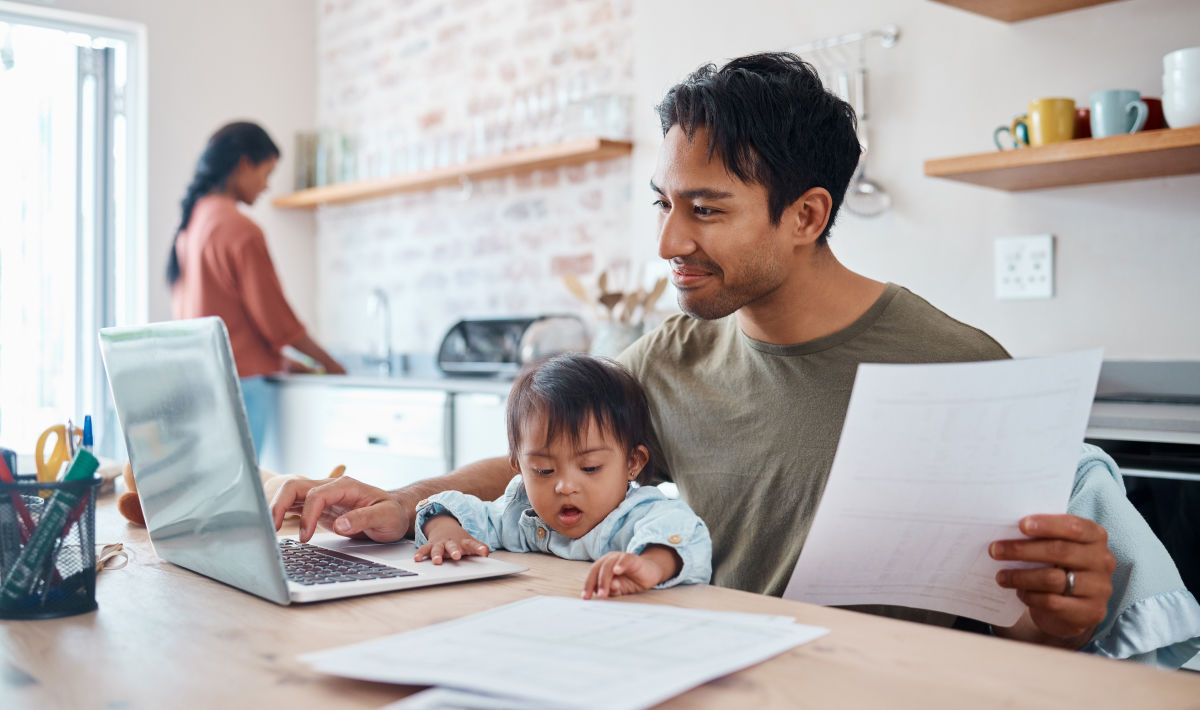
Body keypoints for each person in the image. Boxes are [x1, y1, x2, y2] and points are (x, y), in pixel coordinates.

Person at [269, 54, 1200, 666]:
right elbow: (547, 455)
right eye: (662, 204)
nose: (670, 238)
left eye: (706, 210)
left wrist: (1064, 620)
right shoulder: (671, 354)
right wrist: (401, 500)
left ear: (807, 215)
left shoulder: (959, 368)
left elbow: (1030, 634)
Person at [412, 353, 711, 599]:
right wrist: (446, 532)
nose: (565, 486)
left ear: (633, 463)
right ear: (518, 466)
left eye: (590, 467)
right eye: (543, 470)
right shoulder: (522, 514)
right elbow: (455, 508)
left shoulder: (638, 515)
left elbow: (683, 532)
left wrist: (649, 565)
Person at [168, 121, 345, 454]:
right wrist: (334, 367)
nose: (266, 186)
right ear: (245, 163)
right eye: (267, 172)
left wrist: (283, 361)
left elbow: (223, 318)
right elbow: (278, 323)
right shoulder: (240, 229)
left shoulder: (190, 226)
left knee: (219, 495)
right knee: (249, 495)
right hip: (242, 387)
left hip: (200, 382)